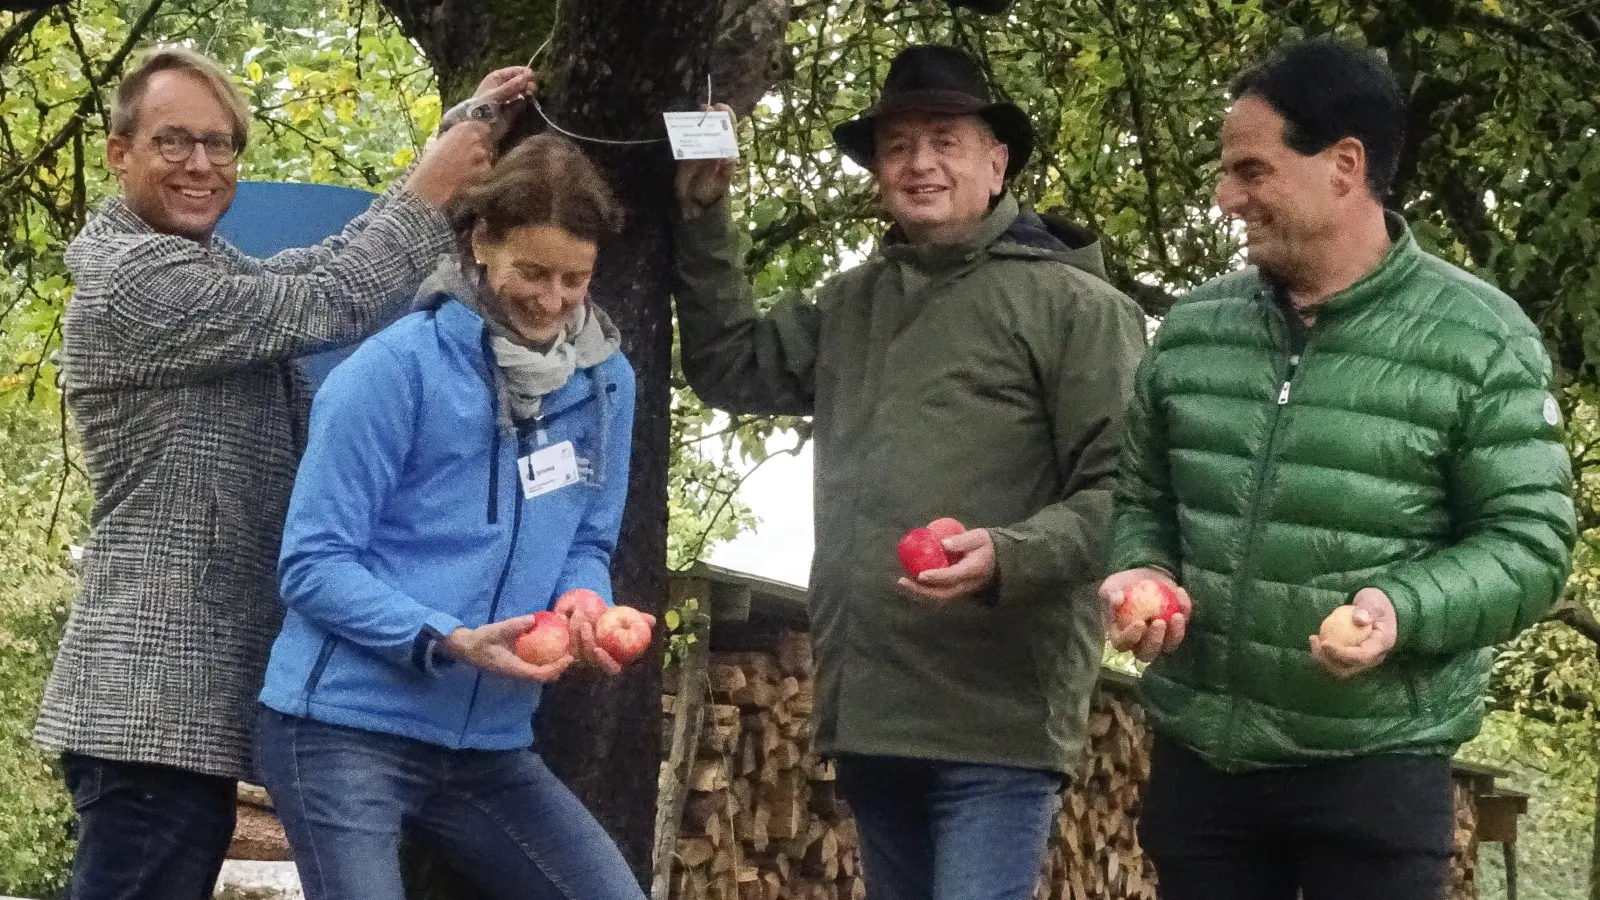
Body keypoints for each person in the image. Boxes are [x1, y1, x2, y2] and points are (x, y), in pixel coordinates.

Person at [35, 43, 524, 897]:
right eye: (174, 142)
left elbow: (312, 269)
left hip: (176, 718)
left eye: (220, 144)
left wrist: (447, 146)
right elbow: (325, 300)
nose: (201, 164)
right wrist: (431, 188)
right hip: (150, 710)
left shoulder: (199, 269)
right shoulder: (131, 283)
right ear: (120, 153)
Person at [1103, 36, 1576, 900]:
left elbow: (1532, 542)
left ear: (1344, 164)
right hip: (1204, 764)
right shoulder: (1196, 331)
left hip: (1377, 770)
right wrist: (1138, 568)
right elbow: (1143, 499)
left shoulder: (1481, 335)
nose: (1226, 196)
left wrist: (1399, 609)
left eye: (1251, 170)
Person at [672, 44, 1146, 900]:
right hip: (871, 714)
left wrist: (1010, 553)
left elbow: (1132, 498)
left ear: (996, 163)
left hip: (996, 719)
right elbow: (730, 367)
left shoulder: (1079, 309)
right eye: (897, 147)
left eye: (945, 140)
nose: (919, 163)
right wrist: (705, 217)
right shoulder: (855, 301)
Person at [253, 132, 647, 899]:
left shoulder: (608, 385)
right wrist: (449, 639)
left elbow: (589, 539)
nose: (553, 300)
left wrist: (582, 601)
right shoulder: (395, 370)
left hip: (488, 742)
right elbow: (312, 562)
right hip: (341, 726)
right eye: (532, 271)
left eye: (577, 279)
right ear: (479, 243)